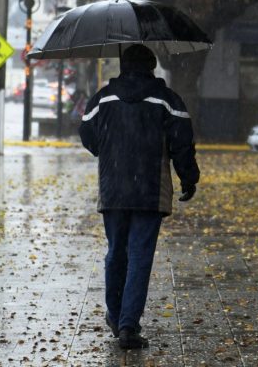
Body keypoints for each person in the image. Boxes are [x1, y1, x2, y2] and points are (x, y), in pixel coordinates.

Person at [79, 44, 200, 349]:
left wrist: (105, 150)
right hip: (150, 189)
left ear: (122, 66)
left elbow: (86, 133)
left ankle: (116, 313)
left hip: (114, 188)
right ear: (152, 66)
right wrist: (188, 179)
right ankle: (128, 326)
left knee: (115, 252)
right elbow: (182, 143)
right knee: (140, 255)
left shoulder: (103, 99)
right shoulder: (167, 100)